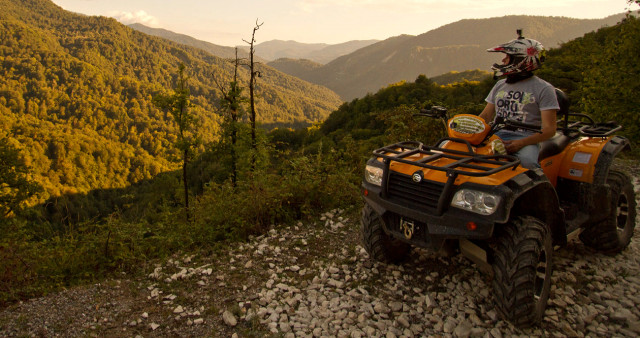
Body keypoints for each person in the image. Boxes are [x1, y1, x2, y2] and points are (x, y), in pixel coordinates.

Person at [478, 32, 559, 169]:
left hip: (526, 139)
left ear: (521, 61)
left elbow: (550, 129)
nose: (503, 61)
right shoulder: (500, 85)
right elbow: (486, 115)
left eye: (508, 57)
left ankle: (539, 188)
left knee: (527, 163)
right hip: (496, 134)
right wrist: (468, 128)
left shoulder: (544, 89)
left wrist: (521, 143)